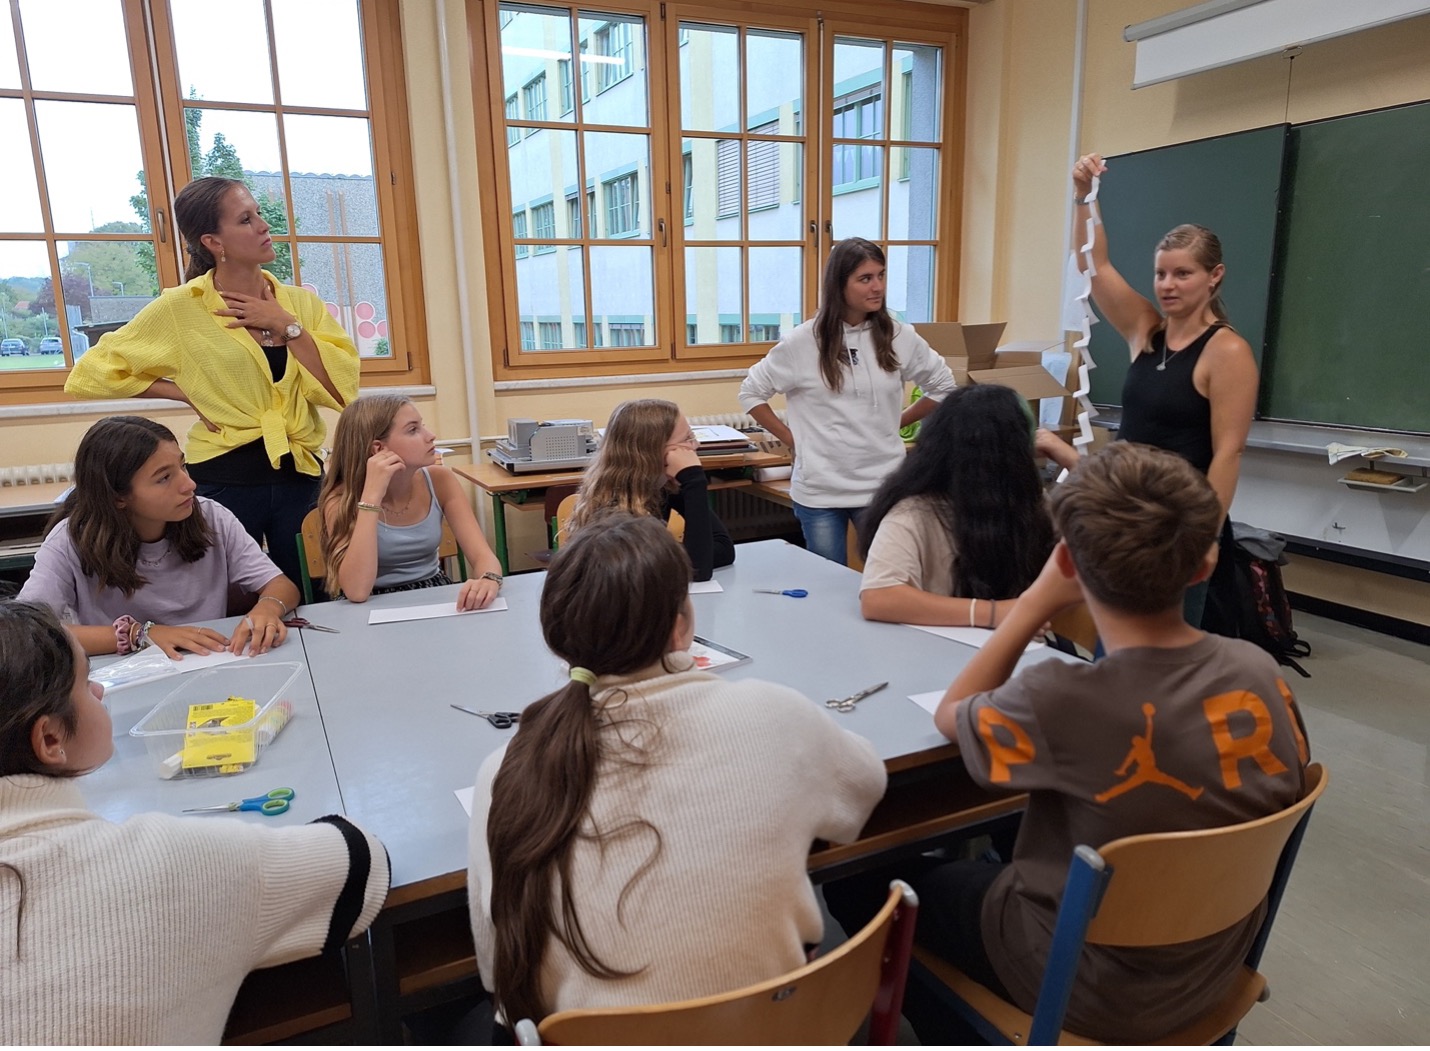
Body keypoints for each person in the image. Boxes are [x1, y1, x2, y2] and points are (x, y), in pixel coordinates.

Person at [826, 443, 1310, 1044]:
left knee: (858, 884)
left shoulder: (1063, 698)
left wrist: (1032, 604)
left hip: (1088, 985)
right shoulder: (1260, 671)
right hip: (1211, 966)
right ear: (1204, 566)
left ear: (1068, 564)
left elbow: (954, 714)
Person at [467, 514, 886, 1029]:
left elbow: (495, 974)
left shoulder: (505, 771)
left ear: (557, 640)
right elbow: (865, 791)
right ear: (682, 626)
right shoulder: (776, 716)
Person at [0, 600, 389, 1044]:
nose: (100, 692)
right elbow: (363, 862)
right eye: (87, 681)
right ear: (51, 738)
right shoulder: (167, 861)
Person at [64, 176, 360, 589]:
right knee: (218, 600)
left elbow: (340, 389)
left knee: (313, 593)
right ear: (213, 242)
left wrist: (287, 327)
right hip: (223, 480)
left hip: (300, 475)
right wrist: (181, 391)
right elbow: (90, 373)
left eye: (258, 214)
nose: (262, 225)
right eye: (245, 219)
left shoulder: (300, 304)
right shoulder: (179, 309)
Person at [1073, 152, 1259, 625]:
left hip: (1179, 528)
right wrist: (1083, 197)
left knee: (1160, 660)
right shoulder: (1145, 328)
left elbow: (1227, 455)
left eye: (1183, 274)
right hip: (1124, 516)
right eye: (1161, 274)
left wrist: (1206, 539)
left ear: (1213, 276)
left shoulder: (1227, 352)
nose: (1167, 285)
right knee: (1111, 646)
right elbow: (1094, 265)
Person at [739, 237, 956, 565]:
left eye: (881, 275)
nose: (877, 287)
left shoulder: (900, 336)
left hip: (883, 486)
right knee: (829, 586)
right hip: (821, 490)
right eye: (865, 279)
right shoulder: (803, 342)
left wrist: (895, 422)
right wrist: (792, 439)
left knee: (887, 581)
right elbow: (751, 393)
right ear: (839, 285)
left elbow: (943, 386)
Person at [19, 416, 300, 658]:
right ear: (118, 497)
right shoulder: (71, 540)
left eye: (183, 466)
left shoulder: (212, 517)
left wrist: (268, 607)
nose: (189, 484)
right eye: (164, 478)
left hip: (210, 660)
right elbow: (28, 631)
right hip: (123, 675)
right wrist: (140, 635)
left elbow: (280, 585)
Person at [858, 385, 1055, 628]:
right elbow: (878, 598)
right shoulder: (915, 512)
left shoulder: (1033, 502)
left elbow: (1103, 540)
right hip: (939, 649)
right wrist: (995, 614)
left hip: (1020, 644)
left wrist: (1070, 458)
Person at [318, 394, 504, 607]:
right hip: (370, 604)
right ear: (378, 449)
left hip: (432, 593)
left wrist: (489, 579)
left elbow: (483, 556)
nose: (430, 436)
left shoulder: (440, 480)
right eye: (413, 430)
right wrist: (371, 497)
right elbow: (357, 591)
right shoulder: (341, 499)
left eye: (422, 426)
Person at [567, 398, 734, 582]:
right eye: (687, 439)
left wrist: (669, 556)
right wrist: (694, 481)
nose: (696, 445)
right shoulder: (614, 510)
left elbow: (723, 548)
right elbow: (698, 570)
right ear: (652, 451)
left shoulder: (661, 486)